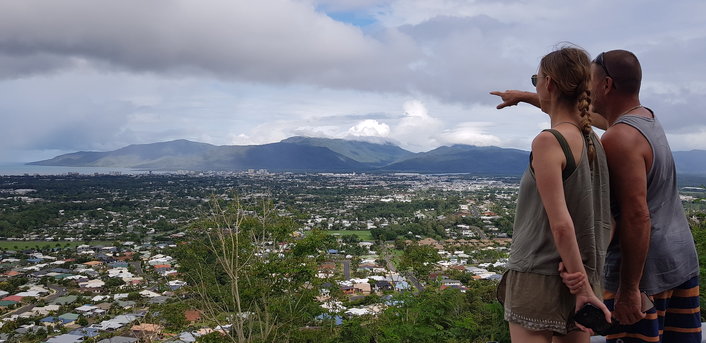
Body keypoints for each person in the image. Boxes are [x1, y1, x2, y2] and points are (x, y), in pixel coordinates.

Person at [492, 49, 701, 343]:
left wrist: (618, 288)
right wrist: (527, 96)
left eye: (537, 79)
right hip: (663, 264)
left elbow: (632, 216)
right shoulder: (628, 127)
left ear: (605, 85)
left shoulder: (609, 139)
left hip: (617, 275)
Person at [495, 46, 612, 343]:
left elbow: (560, 224)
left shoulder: (549, 142)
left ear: (549, 84)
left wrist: (581, 286)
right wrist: (582, 279)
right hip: (581, 271)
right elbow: (606, 217)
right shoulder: (593, 141)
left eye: (537, 80)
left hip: (539, 274)